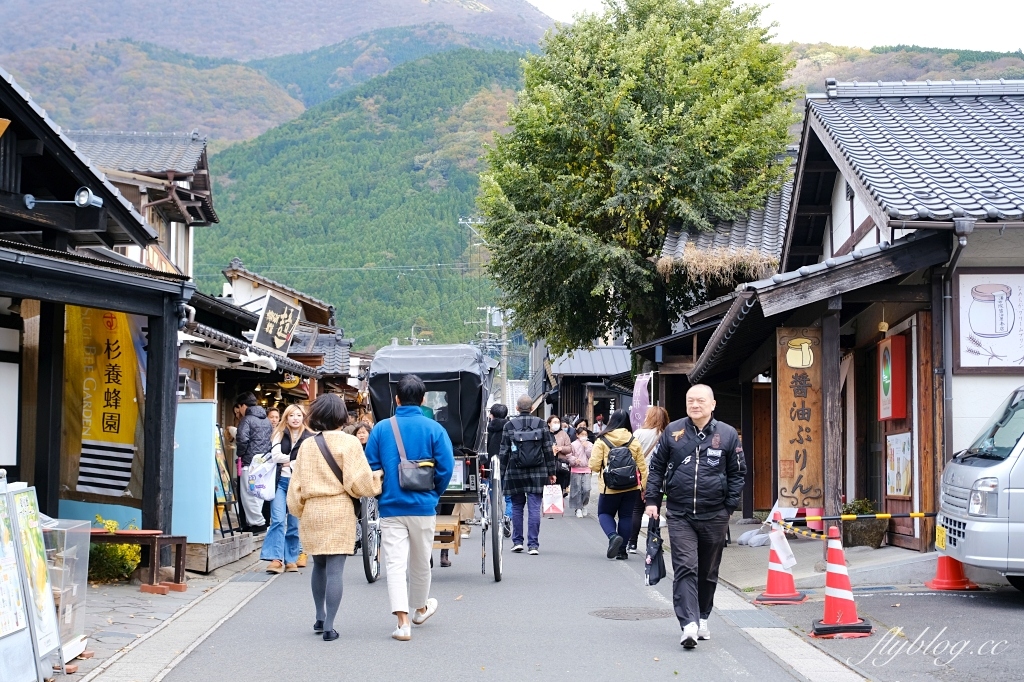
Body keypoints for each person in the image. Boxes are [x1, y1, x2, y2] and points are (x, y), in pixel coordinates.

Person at [645, 384, 745, 649]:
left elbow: (738, 473)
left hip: (715, 513)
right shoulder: (673, 431)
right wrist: (652, 500)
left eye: (700, 400)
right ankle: (688, 624)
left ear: (713, 404)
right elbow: (656, 468)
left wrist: (728, 507)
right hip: (680, 513)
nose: (695, 405)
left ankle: (702, 616)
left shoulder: (727, 434)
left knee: (708, 571)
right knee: (685, 566)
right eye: (690, 400)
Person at [364, 375, 455, 641]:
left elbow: (371, 466)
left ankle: (403, 624)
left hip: (391, 507)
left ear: (397, 399)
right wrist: (434, 493)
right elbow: (446, 467)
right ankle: (421, 609)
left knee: (394, 564)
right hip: (423, 506)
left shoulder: (381, 429)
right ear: (423, 399)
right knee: (421, 561)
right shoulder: (435, 429)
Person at [287, 394, 381, 641]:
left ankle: (319, 616)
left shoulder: (307, 445)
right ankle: (329, 626)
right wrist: (377, 479)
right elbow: (359, 484)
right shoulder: (350, 443)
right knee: (335, 572)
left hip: (313, 510)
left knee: (318, 565)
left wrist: (300, 510)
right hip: (339, 509)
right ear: (341, 415)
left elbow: (295, 486)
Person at [498, 394, 556, 555]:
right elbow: (548, 450)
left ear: (517, 408)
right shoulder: (541, 424)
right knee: (534, 508)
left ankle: (517, 542)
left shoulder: (509, 425)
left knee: (517, 507)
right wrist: (552, 472)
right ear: (532, 408)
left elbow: (504, 452)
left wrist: (501, 474)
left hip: (515, 471)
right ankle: (533, 545)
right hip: (538, 471)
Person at [262, 405, 313, 573]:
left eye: (298, 415)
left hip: (298, 485)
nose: (295, 418)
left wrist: (289, 462)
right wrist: (294, 461)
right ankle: (276, 559)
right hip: (280, 482)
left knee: (293, 523)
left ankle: (291, 559)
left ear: (303, 417)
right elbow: (275, 456)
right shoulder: (279, 433)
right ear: (286, 417)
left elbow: (308, 459)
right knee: (277, 520)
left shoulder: (310, 436)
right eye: (291, 415)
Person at [589, 409, 647, 560]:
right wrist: (643, 487)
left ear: (611, 421)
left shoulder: (602, 440)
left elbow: (594, 465)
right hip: (631, 486)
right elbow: (642, 467)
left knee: (604, 513)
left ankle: (613, 536)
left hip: (609, 487)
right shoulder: (633, 440)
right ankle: (622, 551)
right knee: (626, 516)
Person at [627, 406, 670, 553]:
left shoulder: (639, 433)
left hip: (639, 477)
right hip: (658, 478)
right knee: (654, 510)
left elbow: (630, 455)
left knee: (637, 510)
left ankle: (632, 543)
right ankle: (653, 543)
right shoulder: (666, 435)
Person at [235, 392, 273, 532]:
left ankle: (258, 523)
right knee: (258, 493)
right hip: (264, 462)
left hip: (249, 462)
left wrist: (240, 454)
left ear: (243, 405)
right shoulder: (267, 420)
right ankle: (256, 523)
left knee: (248, 494)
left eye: (239, 407)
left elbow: (242, 439)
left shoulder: (247, 420)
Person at [486, 404, 512, 536]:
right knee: (510, 496)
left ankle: (497, 518)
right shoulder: (511, 427)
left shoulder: (489, 428)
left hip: (493, 464)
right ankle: (507, 516)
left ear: (492, 414)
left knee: (494, 494)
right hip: (508, 464)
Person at [568, 425, 593, 517]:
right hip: (576, 469)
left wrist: (587, 448)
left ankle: (584, 504)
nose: (584, 436)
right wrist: (574, 460)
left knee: (587, 489)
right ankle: (578, 508)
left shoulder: (590, 444)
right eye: (582, 434)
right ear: (577, 435)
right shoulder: (573, 444)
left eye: (585, 434)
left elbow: (592, 456)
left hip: (587, 469)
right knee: (577, 490)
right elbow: (569, 456)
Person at [548, 415, 572, 494]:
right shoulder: (545, 434)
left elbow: (569, 448)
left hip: (560, 464)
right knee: (549, 488)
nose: (557, 424)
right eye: (554, 422)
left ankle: (559, 499)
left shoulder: (563, 434)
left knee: (559, 488)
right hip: (548, 464)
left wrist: (561, 448)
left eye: (558, 422)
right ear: (549, 423)